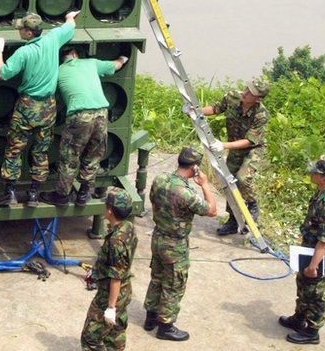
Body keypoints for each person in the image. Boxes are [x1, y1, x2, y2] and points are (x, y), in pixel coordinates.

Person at [0, 11, 78, 207]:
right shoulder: (53, 39)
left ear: (29, 33)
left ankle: (10, 193)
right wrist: (69, 17)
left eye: (22, 29)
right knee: (41, 151)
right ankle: (33, 194)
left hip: (27, 106)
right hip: (48, 106)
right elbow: (71, 26)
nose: (20, 31)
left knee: (14, 149)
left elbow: (4, 74)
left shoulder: (23, 52)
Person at [143, 147, 217, 341]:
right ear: (195, 168)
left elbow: (152, 199)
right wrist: (205, 185)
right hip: (175, 245)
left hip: (158, 237)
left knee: (157, 277)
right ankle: (165, 325)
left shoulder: (159, 180)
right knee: (174, 284)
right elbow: (211, 211)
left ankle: (150, 317)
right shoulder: (185, 193)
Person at [41, 47, 130, 207]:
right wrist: (124, 56)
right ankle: (84, 193)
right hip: (102, 114)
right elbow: (116, 65)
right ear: (75, 54)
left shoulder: (58, 71)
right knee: (94, 155)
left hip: (80, 116)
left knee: (69, 156)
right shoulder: (91, 63)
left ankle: (62, 196)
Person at [279, 156, 325, 345]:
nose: (311, 174)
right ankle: (299, 318)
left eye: (315, 172)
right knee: (303, 286)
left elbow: (324, 242)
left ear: (324, 178)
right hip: (310, 247)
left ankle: (312, 331)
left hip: (319, 255)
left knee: (314, 293)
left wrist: (313, 266)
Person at [199, 78, 269, 235]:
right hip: (235, 147)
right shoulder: (232, 97)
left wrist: (223, 145)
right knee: (229, 181)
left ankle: (252, 204)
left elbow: (250, 141)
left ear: (258, 99)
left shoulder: (261, 115)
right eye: (246, 88)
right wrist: (196, 112)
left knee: (243, 178)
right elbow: (216, 108)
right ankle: (232, 220)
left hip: (252, 149)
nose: (245, 93)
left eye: (250, 93)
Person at [80, 187, 138, 351]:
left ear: (110, 210)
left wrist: (110, 307)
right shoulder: (128, 227)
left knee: (90, 338)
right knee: (115, 333)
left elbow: (116, 277)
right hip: (124, 292)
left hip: (110, 294)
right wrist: (97, 270)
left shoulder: (116, 241)